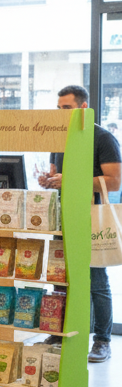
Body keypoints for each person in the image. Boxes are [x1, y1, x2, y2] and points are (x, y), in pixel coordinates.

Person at [38, 84, 121, 362]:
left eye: (67, 108)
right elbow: (57, 175)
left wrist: (72, 180)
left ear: (83, 108)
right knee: (60, 278)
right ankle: (60, 331)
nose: (61, 113)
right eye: (59, 108)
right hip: (62, 216)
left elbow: (114, 182)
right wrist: (49, 180)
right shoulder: (59, 138)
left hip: (91, 218)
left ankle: (101, 341)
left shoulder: (103, 138)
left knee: (96, 281)